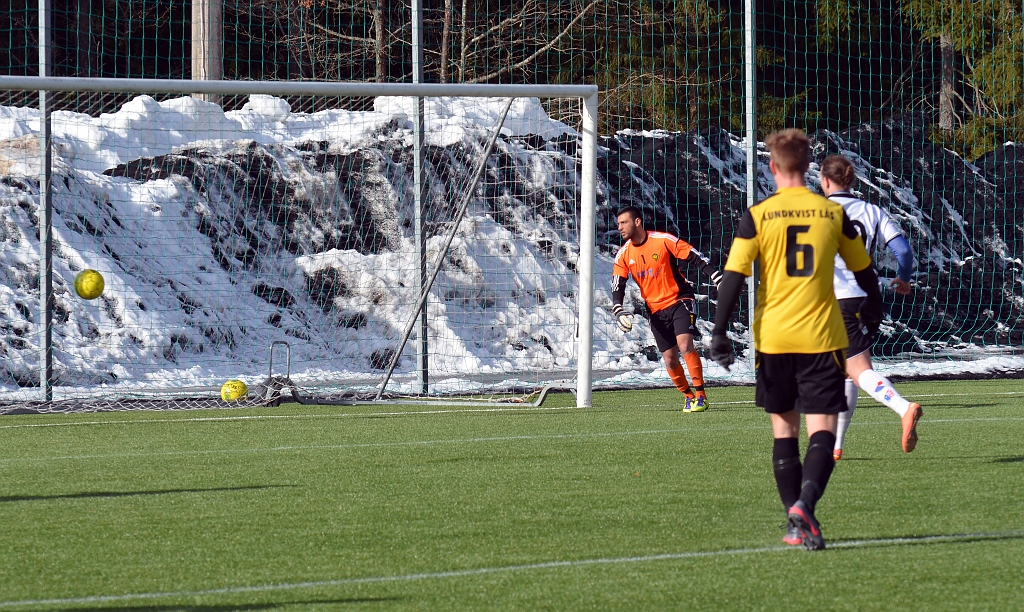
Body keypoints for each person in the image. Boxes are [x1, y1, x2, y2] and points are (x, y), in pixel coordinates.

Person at [709, 129, 883, 550]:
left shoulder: (758, 214)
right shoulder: (831, 214)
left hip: (774, 340)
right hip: (822, 337)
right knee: (823, 430)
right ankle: (805, 505)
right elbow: (865, 273)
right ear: (809, 168)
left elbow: (734, 276)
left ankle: (795, 521)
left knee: (783, 433)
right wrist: (872, 310)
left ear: (772, 167)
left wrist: (718, 331)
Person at [819, 154, 923, 461]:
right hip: (866, 297)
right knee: (847, 371)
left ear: (824, 180)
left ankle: (903, 407)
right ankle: (836, 446)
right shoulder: (872, 210)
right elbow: (903, 251)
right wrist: (903, 279)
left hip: (833, 299)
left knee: (857, 370)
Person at [611, 205, 723, 412]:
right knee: (670, 359)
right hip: (655, 310)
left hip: (679, 299)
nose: (620, 227)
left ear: (637, 222)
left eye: (624, 222)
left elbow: (694, 255)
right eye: (618, 224)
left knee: (685, 345)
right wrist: (618, 309)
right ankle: (688, 396)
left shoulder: (663, 240)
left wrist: (716, 277)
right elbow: (618, 284)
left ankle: (701, 395)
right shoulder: (623, 254)